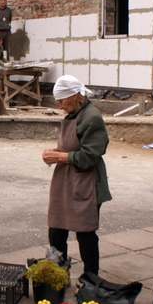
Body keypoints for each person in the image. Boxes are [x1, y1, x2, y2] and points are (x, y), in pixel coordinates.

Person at [41, 76, 111, 277]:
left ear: (75, 95)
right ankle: (57, 273)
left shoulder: (91, 117)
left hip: (86, 182)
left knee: (85, 231)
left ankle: (91, 277)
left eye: (62, 101)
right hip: (66, 180)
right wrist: (57, 152)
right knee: (57, 228)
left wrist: (61, 156)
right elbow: (74, 146)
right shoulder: (74, 114)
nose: (60, 106)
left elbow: (90, 156)